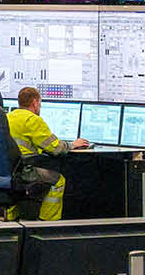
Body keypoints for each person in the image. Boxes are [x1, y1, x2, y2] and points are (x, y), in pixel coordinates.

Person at [5, 86, 85, 220]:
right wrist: (73, 144)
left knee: (11, 189)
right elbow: (56, 148)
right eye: (40, 104)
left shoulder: (7, 117)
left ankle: (10, 220)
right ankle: (46, 223)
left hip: (8, 170)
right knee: (58, 180)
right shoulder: (33, 120)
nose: (40, 107)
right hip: (25, 170)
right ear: (35, 103)